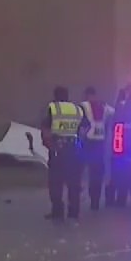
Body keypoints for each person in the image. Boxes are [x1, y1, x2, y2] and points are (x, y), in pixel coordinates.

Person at [40, 86, 89, 222]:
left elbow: (46, 126)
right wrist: (79, 138)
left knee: (56, 182)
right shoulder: (77, 109)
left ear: (55, 96)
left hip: (58, 149)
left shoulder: (53, 108)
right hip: (74, 149)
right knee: (74, 182)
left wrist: (48, 142)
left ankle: (58, 211)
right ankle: (74, 211)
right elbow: (86, 126)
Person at [79, 86, 114, 210]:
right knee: (97, 174)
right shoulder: (104, 107)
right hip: (99, 143)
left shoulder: (83, 106)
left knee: (86, 172)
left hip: (87, 143)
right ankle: (95, 201)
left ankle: (91, 200)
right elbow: (113, 113)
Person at [105, 82, 131, 208]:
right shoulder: (123, 106)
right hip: (120, 146)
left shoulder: (123, 106)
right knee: (117, 174)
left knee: (119, 174)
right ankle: (115, 200)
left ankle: (117, 200)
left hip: (124, 146)